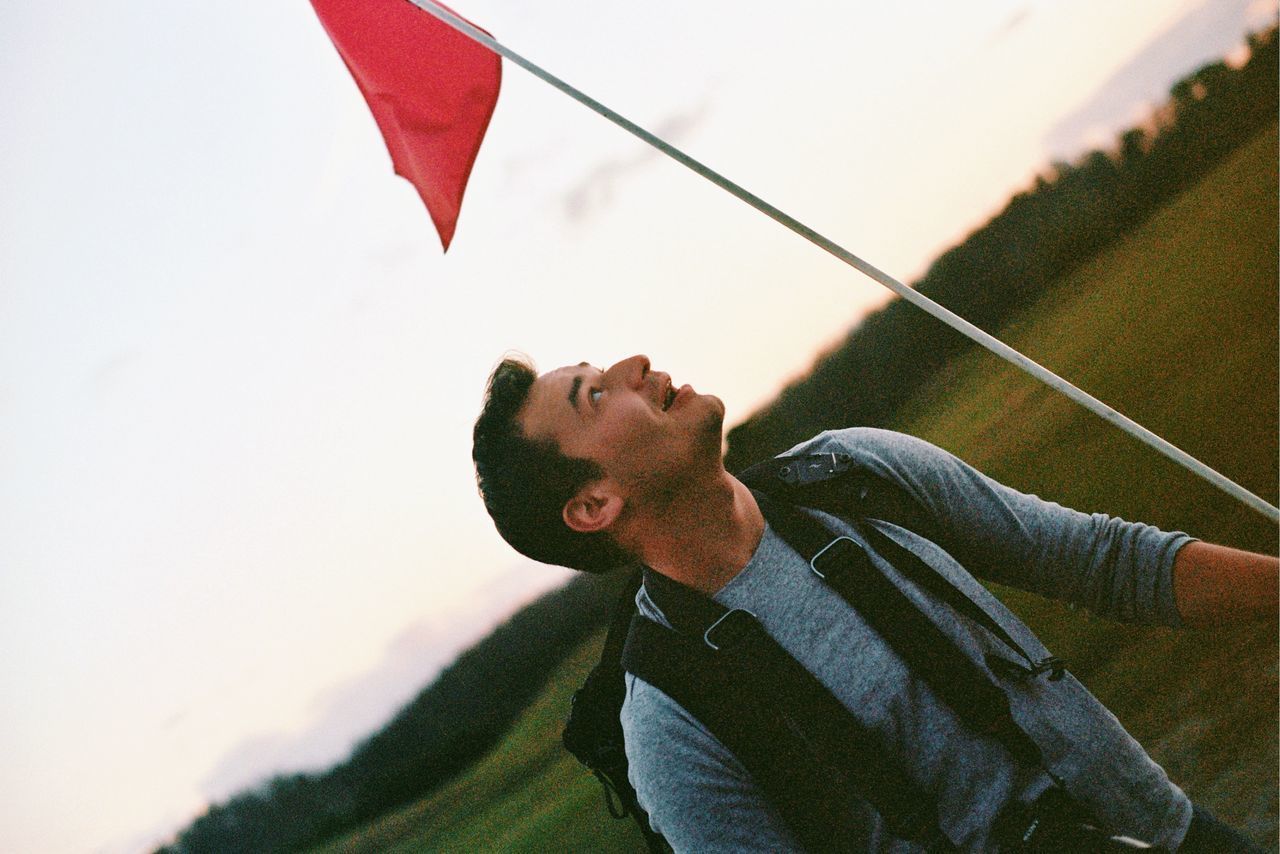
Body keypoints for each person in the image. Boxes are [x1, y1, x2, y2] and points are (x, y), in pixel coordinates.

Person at [471, 352, 1277, 852]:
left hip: (1178, 837)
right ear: (593, 506)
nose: (632, 366)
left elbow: (1113, 564)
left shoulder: (853, 472)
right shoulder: (669, 724)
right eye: (593, 396)